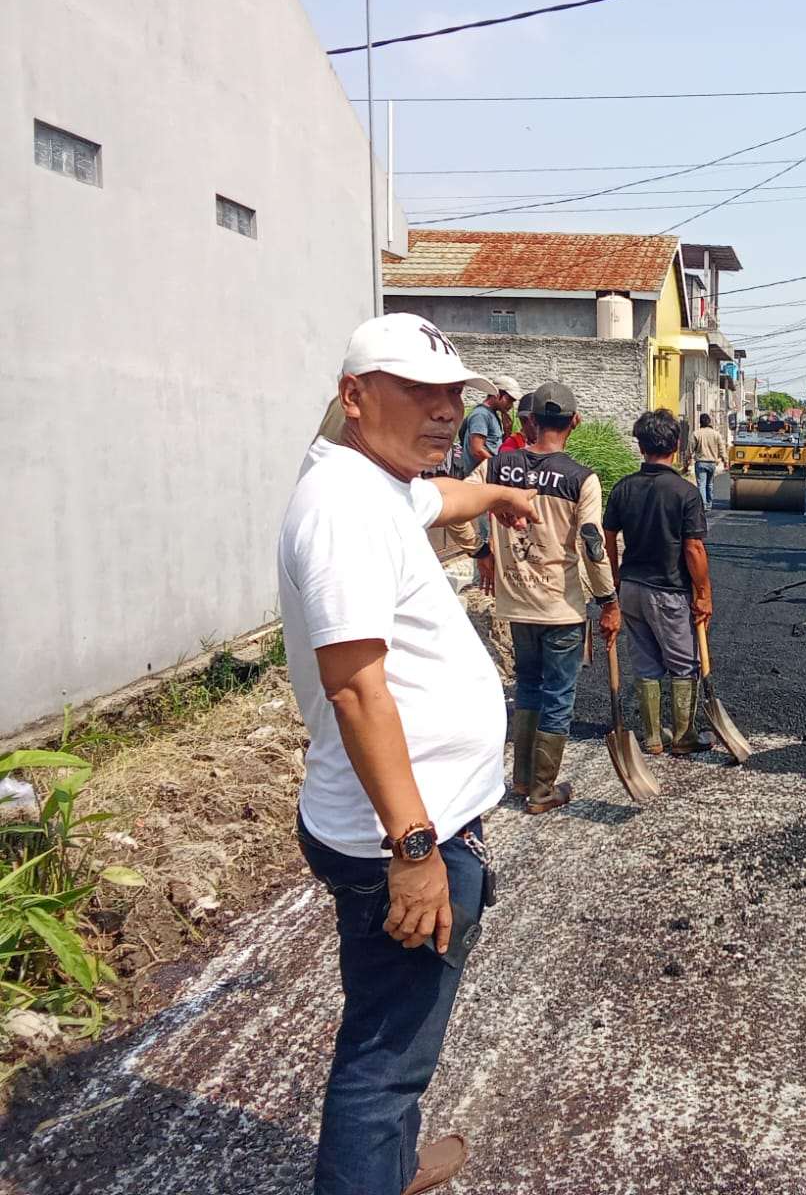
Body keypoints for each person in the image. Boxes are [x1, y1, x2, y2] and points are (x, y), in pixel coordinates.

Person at [278, 313, 545, 1195]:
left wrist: (501, 496)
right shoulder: (344, 509)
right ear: (355, 397)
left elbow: (447, 499)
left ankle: (387, 1160)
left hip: (418, 819)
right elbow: (357, 690)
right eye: (417, 393)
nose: (442, 413)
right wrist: (416, 852)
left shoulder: (381, 481)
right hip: (398, 834)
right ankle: (369, 1166)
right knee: (386, 1057)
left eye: (451, 397)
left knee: (393, 1031)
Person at [467, 381, 618, 814]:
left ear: (530, 421)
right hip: (560, 605)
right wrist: (608, 599)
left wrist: (480, 552)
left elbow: (458, 502)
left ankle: (521, 778)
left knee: (528, 687)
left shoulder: (496, 467)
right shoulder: (580, 478)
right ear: (575, 422)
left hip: (515, 603)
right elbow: (592, 541)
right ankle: (542, 791)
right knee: (558, 695)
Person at [604, 409, 715, 756]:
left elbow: (608, 539)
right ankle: (684, 735)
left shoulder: (623, 488)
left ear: (641, 447)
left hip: (632, 588)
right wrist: (704, 593)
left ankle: (652, 737)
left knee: (646, 661)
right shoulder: (685, 492)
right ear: (678, 445)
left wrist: (616, 578)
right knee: (684, 663)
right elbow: (694, 548)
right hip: (668, 591)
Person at [688, 412, 729, 510]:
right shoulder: (716, 434)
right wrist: (725, 461)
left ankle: (703, 504)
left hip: (701, 462)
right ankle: (709, 503)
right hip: (712, 463)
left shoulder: (696, 433)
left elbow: (690, 449)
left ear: (700, 422)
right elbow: (722, 449)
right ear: (709, 422)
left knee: (701, 484)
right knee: (709, 484)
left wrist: (688, 460)